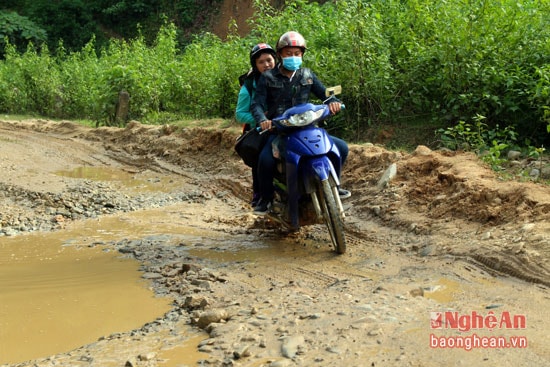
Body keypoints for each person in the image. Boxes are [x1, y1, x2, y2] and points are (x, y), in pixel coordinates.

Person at [250, 31, 351, 215]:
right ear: (280, 54)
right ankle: (265, 199)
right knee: (265, 161)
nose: (293, 57)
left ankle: (334, 184)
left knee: (341, 148)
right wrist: (263, 120)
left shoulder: (307, 75)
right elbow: (256, 104)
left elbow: (325, 94)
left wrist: (334, 102)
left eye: (297, 53)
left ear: (302, 55)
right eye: (288, 53)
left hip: (309, 128)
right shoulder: (268, 77)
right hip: (280, 131)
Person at [235, 43, 277, 207]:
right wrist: (259, 118)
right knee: (262, 159)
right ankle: (260, 195)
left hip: (285, 124)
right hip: (260, 129)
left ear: (275, 59)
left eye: (269, 60)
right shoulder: (249, 87)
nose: (266, 64)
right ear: (255, 65)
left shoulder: (285, 77)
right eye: (261, 62)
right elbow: (240, 114)